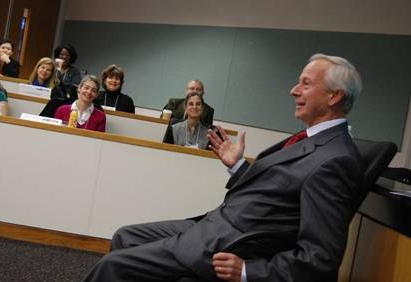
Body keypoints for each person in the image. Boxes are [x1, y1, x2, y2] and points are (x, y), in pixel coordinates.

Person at [83, 54, 364, 281]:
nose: (293, 90)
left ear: (334, 96)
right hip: (214, 225)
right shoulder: (308, 139)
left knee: (113, 267)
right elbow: (278, 194)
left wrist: (248, 272)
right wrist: (239, 167)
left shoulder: (336, 159)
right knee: (125, 236)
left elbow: (321, 258)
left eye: (305, 83)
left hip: (226, 244)